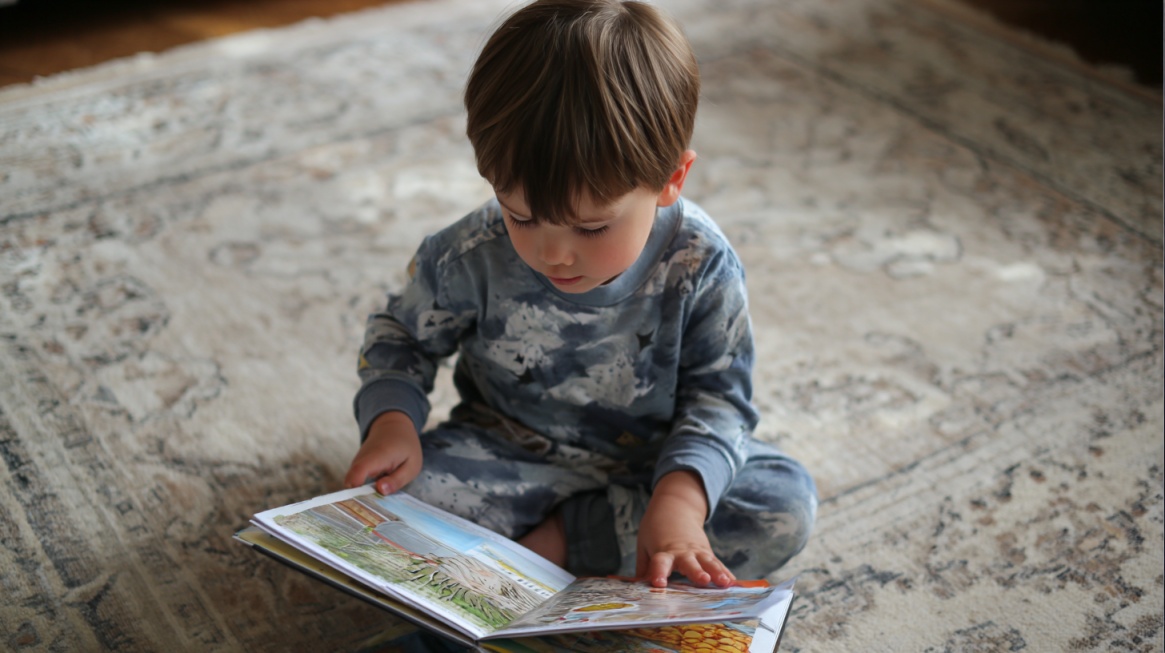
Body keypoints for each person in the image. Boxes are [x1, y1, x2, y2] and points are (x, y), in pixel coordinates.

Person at [344, 0, 816, 589]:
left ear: (671, 179)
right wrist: (393, 422)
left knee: (781, 506)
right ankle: (561, 552)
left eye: (591, 228)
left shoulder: (701, 263)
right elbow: (402, 334)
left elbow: (721, 400)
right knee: (385, 510)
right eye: (520, 216)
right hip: (504, 455)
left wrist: (681, 501)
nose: (552, 254)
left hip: (651, 469)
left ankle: (555, 546)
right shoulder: (470, 251)